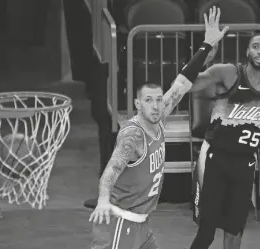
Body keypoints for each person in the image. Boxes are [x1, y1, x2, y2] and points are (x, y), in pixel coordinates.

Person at [88, 6, 228, 249]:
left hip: (141, 225)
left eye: (158, 99)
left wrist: (206, 47)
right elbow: (112, 169)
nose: (155, 105)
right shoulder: (133, 135)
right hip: (120, 222)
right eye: (148, 101)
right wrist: (102, 199)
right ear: (137, 105)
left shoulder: (160, 117)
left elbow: (182, 84)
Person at [189, 31, 260, 249]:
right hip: (214, 158)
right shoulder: (229, 73)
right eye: (256, 46)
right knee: (207, 231)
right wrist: (206, 55)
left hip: (245, 164)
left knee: (235, 232)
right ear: (247, 51)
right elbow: (188, 83)